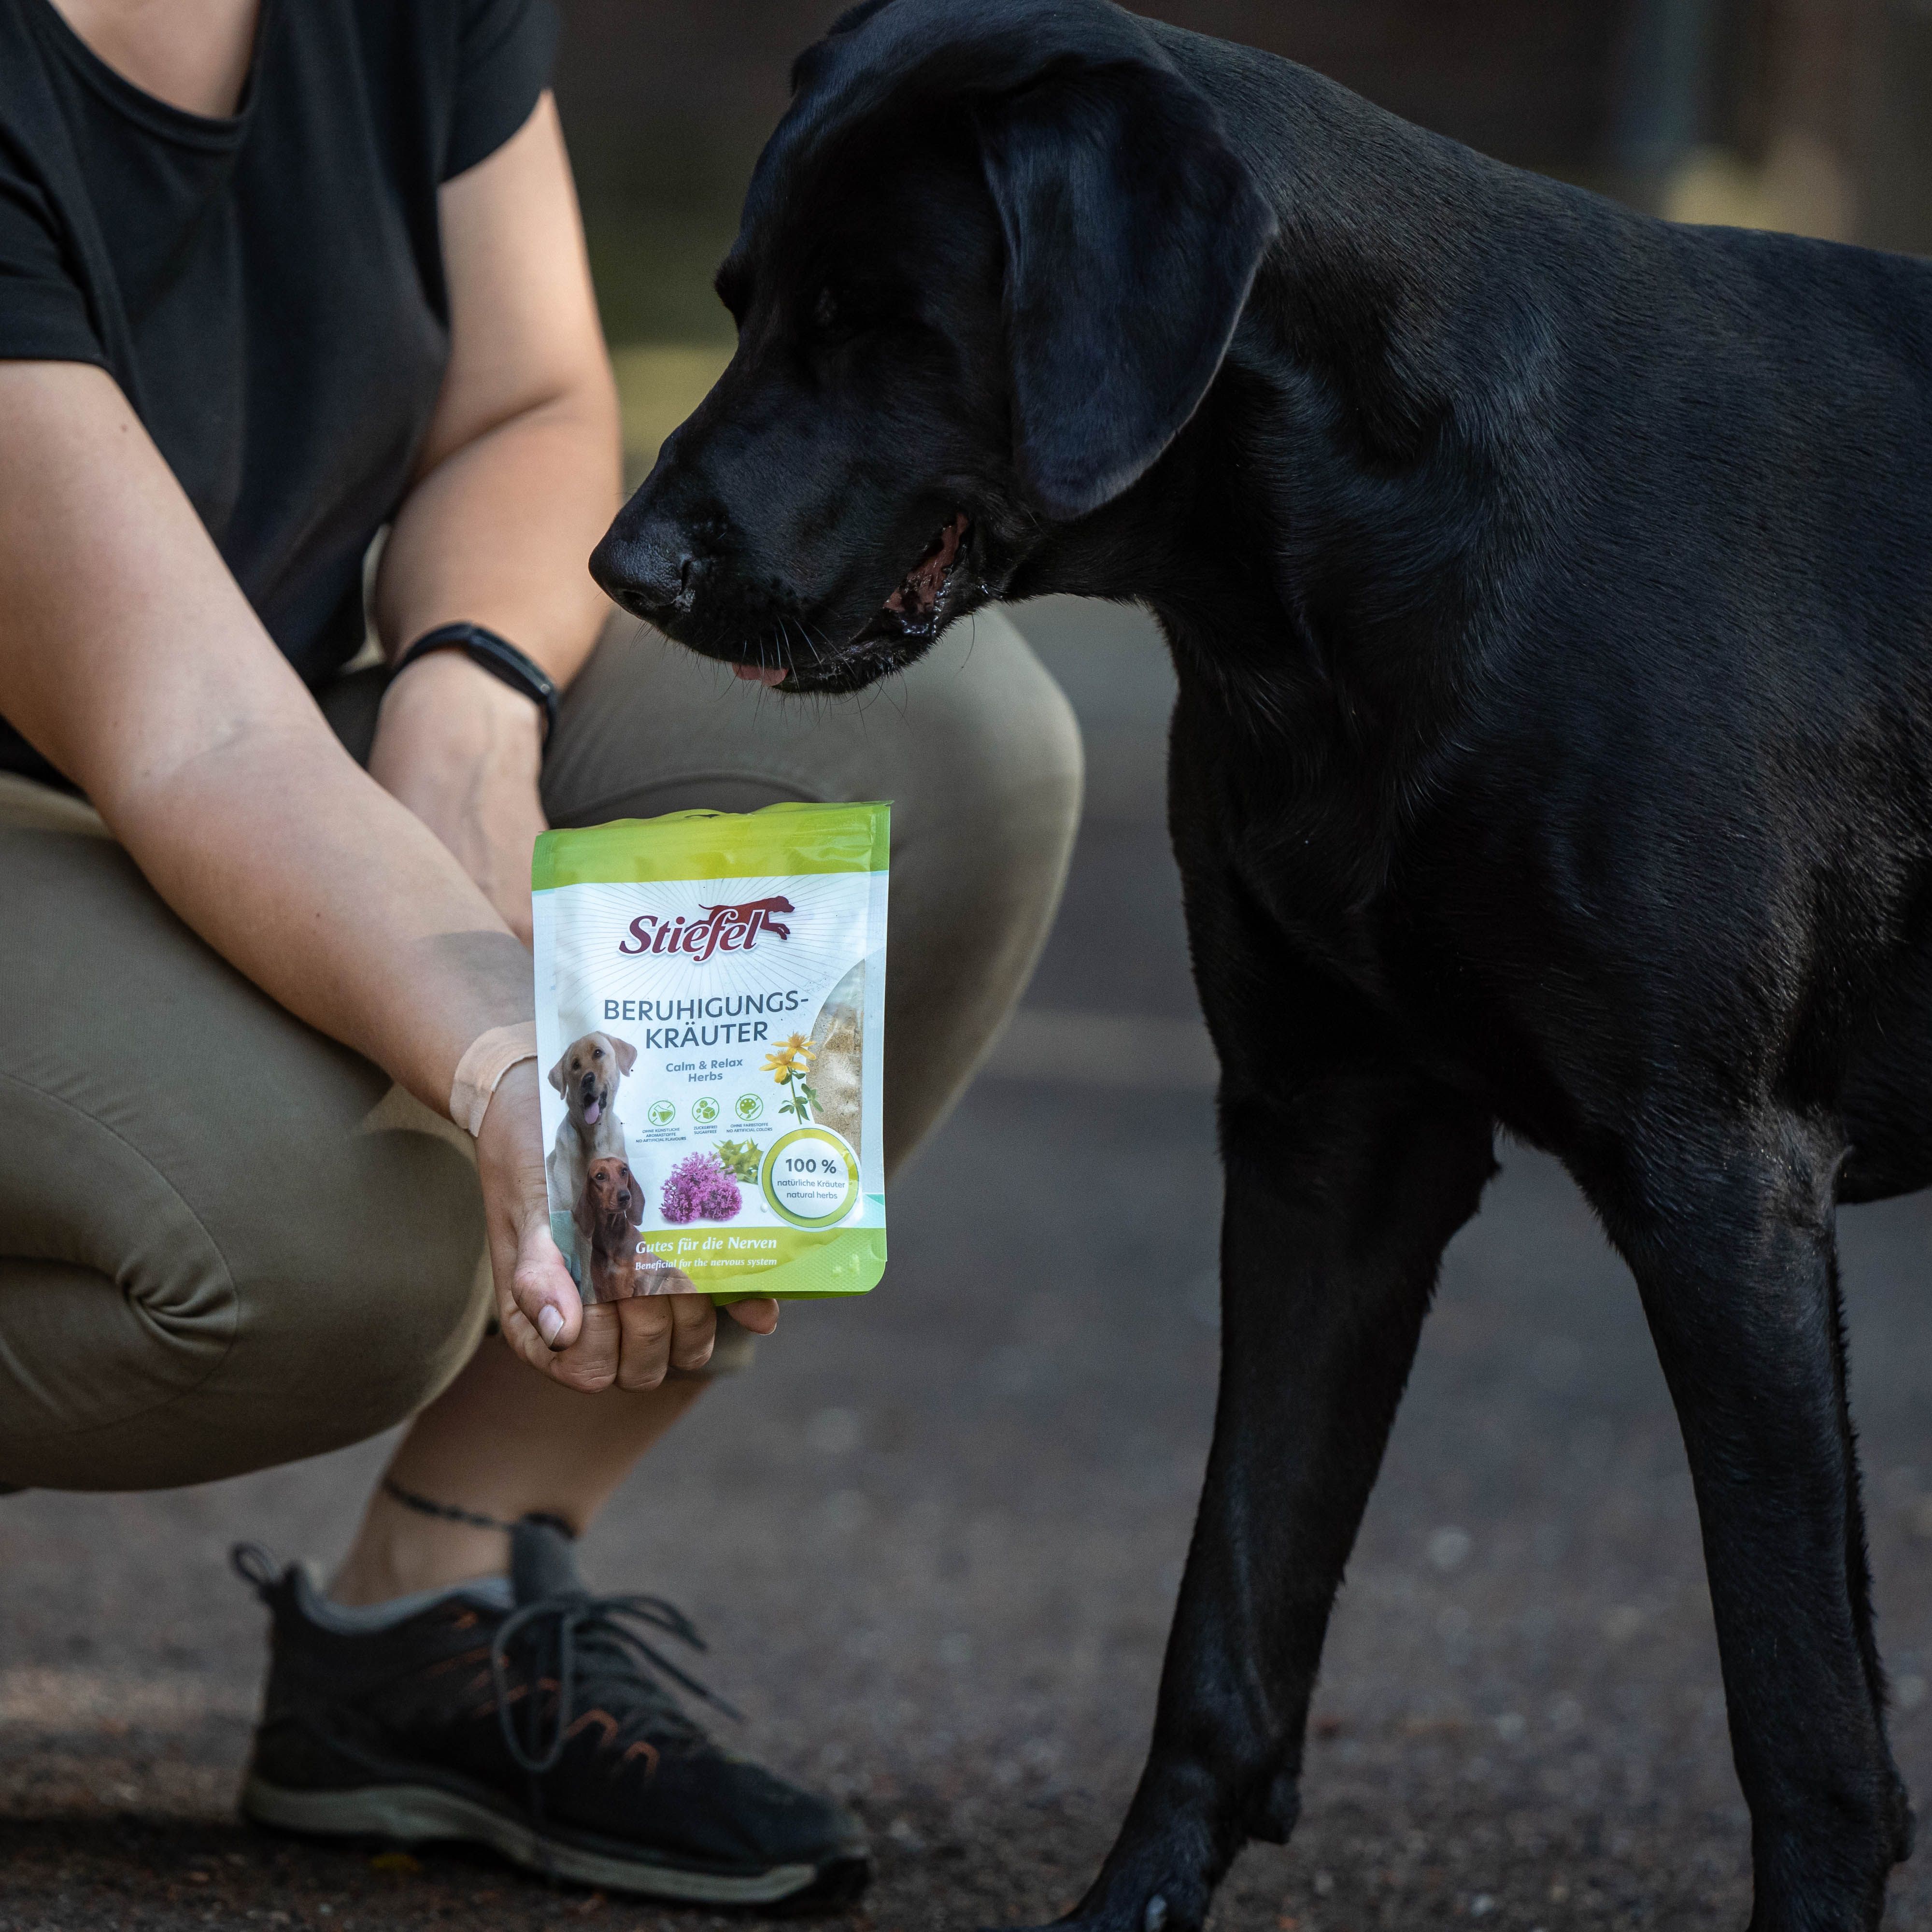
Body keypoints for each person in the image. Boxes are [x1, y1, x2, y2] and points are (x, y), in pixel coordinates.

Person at [0, 0, 1082, 1908]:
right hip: (89, 761)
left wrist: (467, 700)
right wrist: (513, 1058)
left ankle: (441, 1598)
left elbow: (526, 404)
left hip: (269, 707)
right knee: (347, 1237)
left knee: (938, 758)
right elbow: (183, 727)